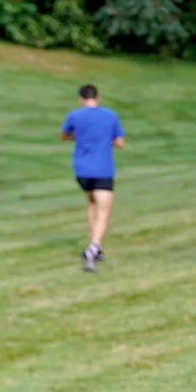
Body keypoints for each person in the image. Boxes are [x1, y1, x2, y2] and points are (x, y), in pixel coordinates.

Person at [59, 85, 126, 273]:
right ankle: (93, 248)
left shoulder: (74, 116)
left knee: (92, 203)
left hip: (82, 169)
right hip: (103, 169)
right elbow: (120, 142)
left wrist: (79, 136)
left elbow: (64, 135)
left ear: (81, 98)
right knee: (104, 211)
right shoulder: (110, 115)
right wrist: (107, 140)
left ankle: (95, 245)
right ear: (98, 97)